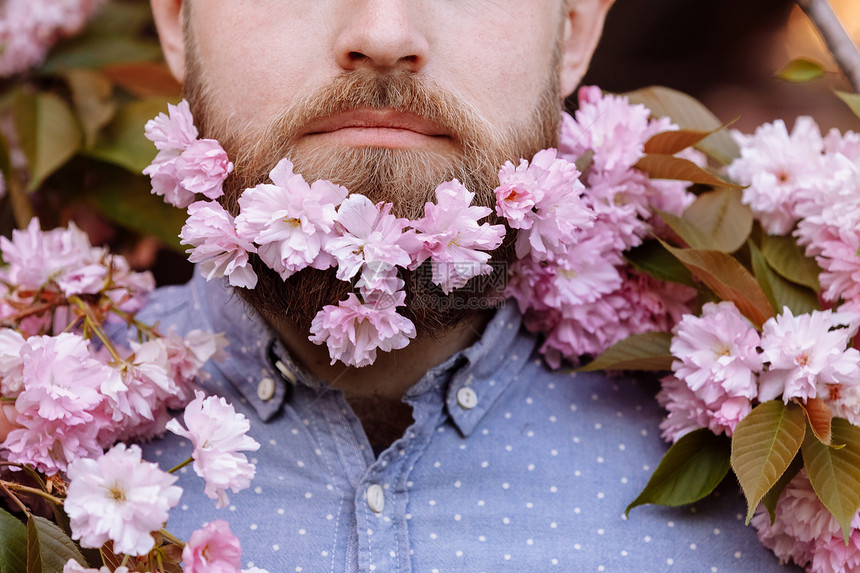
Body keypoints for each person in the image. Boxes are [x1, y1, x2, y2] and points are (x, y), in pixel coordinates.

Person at [143, 1, 796, 570]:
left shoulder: (792, 489)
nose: (384, 34)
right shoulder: (43, 476)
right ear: (178, 20)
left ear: (572, 31)